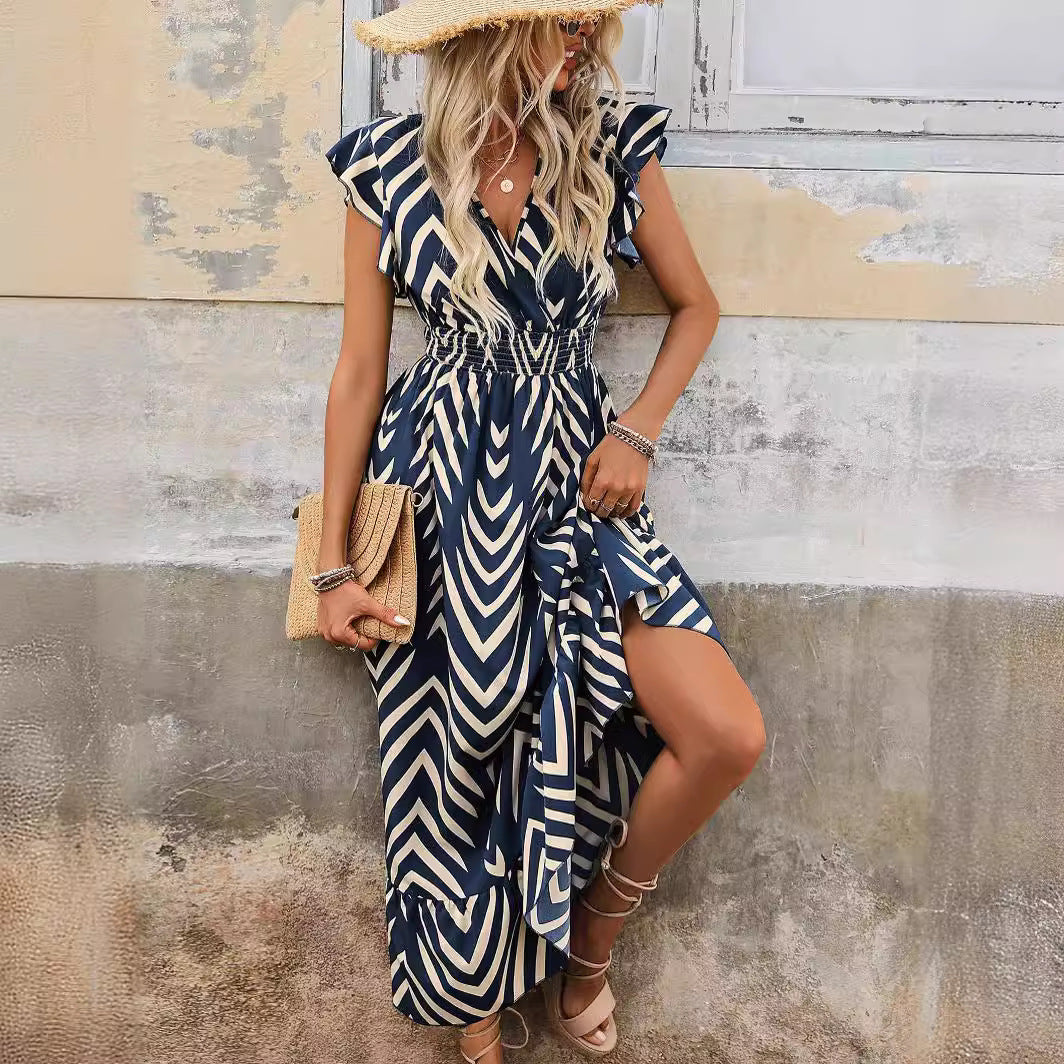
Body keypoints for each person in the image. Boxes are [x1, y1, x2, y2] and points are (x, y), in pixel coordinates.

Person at [314, 2, 766, 1060]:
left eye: (582, 24)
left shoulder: (609, 148)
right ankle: (475, 1026)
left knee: (721, 732)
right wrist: (336, 563)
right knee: (453, 754)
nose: (576, 43)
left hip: (578, 486)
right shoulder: (385, 166)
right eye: (554, 23)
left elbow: (696, 305)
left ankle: (589, 949)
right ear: (484, 33)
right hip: (443, 489)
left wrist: (638, 432)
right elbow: (358, 374)